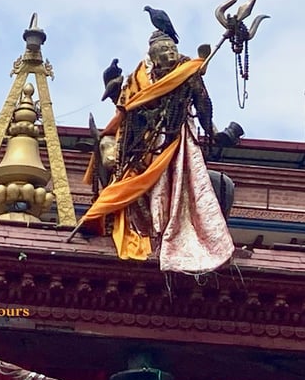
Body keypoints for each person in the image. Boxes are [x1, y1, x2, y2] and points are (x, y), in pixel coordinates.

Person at [81, 31, 234, 274]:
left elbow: (203, 105)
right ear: (154, 56)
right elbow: (127, 105)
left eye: (173, 49)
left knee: (181, 180)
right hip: (142, 140)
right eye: (164, 50)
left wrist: (211, 133)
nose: (170, 53)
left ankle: (172, 229)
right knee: (121, 167)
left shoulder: (187, 72)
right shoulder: (139, 77)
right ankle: (137, 224)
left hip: (177, 137)